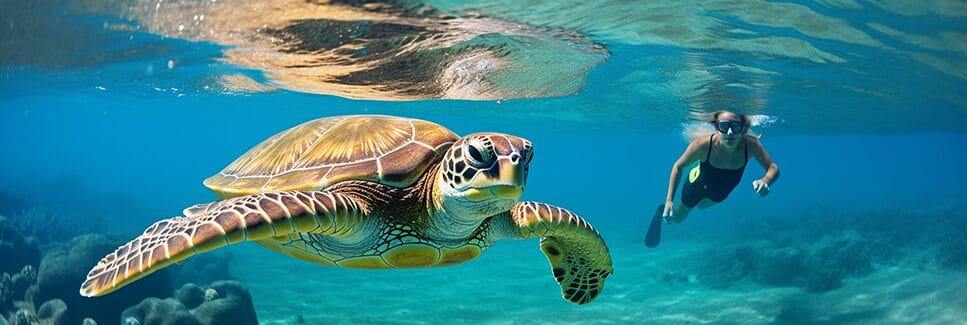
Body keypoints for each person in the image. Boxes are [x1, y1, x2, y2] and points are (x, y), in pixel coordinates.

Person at [662, 110, 780, 224]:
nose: (730, 132)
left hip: (721, 192)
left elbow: (773, 167)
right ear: (716, 128)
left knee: (702, 206)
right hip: (696, 186)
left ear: (743, 129)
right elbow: (678, 166)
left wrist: (766, 181)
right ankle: (661, 211)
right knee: (678, 219)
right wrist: (669, 200)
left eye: (735, 126)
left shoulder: (751, 145)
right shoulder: (703, 145)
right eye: (723, 126)